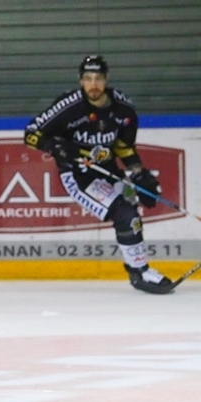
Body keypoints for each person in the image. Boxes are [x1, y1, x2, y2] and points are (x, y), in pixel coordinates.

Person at [24, 55, 172, 294]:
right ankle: (140, 272)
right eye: (88, 79)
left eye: (98, 79)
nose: (93, 85)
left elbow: (124, 146)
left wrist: (137, 172)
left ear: (106, 80)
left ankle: (138, 270)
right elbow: (31, 134)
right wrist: (61, 148)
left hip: (108, 169)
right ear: (80, 80)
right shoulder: (69, 107)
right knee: (124, 212)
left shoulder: (123, 109)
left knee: (131, 213)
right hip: (78, 175)